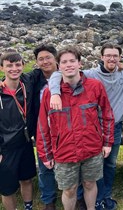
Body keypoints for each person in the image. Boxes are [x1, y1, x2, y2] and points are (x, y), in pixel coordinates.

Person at [49, 43, 123, 210]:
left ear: (120, 57)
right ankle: (82, 199)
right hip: (92, 126)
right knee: (85, 164)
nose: (111, 58)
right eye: (108, 55)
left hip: (114, 125)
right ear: (101, 57)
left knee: (108, 165)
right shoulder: (92, 74)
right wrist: (55, 92)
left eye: (115, 55)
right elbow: (59, 73)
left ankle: (103, 196)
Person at [36, 46, 115, 210]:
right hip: (64, 151)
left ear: (80, 63)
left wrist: (107, 142)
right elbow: (43, 126)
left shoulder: (95, 87)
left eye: (72, 60)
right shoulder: (50, 94)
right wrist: (45, 153)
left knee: (89, 183)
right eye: (64, 62)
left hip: (92, 148)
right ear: (59, 66)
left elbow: (107, 115)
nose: (68, 65)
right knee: (69, 190)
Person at [0, 51, 35, 210]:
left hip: (26, 142)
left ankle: (28, 207)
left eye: (18, 65)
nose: (14, 68)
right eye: (9, 65)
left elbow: (52, 70)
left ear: (23, 65)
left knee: (26, 179)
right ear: (2, 68)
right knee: (7, 189)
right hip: (6, 148)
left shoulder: (28, 82)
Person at [32, 44, 59, 210]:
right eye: (40, 59)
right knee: (44, 166)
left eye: (48, 57)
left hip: (65, 127)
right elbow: (13, 79)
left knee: (72, 164)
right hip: (43, 128)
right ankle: (49, 200)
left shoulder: (67, 75)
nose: (45, 61)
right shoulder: (33, 78)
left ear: (55, 58)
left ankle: (77, 196)